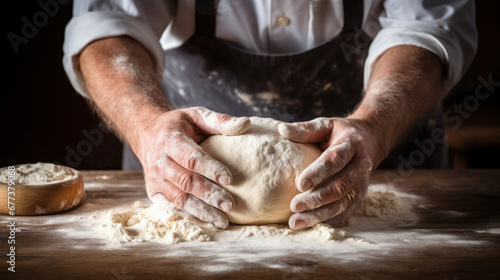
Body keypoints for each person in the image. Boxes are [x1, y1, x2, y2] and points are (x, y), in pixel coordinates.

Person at [63, 0, 477, 230]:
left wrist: (373, 127)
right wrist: (147, 124)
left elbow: (430, 26)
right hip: (184, 174)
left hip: (384, 162)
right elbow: (105, 22)